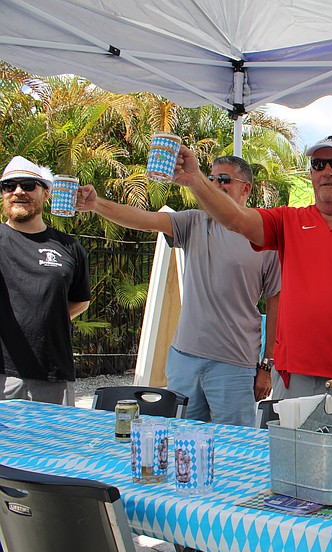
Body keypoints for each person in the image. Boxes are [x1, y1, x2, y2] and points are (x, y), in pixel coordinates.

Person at [171, 135, 332, 409]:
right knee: (293, 454)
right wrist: (196, 180)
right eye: (318, 164)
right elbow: (235, 219)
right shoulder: (288, 221)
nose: (327, 171)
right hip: (294, 381)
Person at [76, 155, 280, 427]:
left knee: (233, 445)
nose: (215, 184)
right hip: (184, 360)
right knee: (181, 443)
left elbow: (276, 302)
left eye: (224, 180)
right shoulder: (194, 222)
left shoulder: (263, 235)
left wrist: (267, 366)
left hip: (235, 365)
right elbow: (145, 220)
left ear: (246, 188)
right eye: (211, 178)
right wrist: (97, 204)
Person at [0, 156, 91, 403]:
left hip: (54, 375)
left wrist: (46, 319)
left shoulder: (70, 247)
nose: (18, 191)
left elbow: (81, 301)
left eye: (28, 185)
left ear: (46, 194)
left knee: (56, 442)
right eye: (9, 186)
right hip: (4, 376)